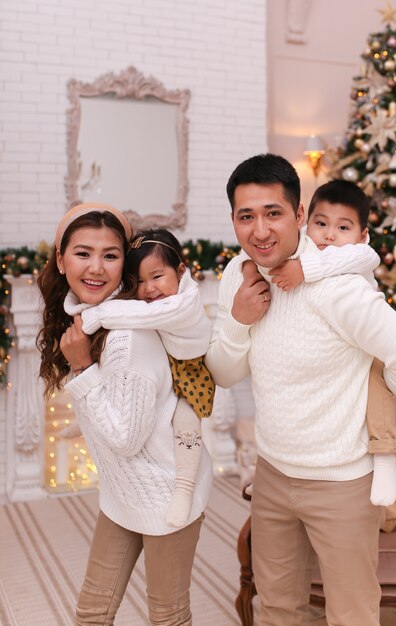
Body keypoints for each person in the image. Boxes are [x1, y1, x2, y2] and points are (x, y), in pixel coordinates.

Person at [205, 153, 396, 626]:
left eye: (273, 213)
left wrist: (373, 382)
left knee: (351, 615)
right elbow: (224, 374)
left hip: (341, 483)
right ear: (233, 219)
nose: (260, 231)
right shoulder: (239, 274)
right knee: (275, 608)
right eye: (245, 216)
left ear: (298, 215)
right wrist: (239, 320)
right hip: (272, 472)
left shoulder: (339, 288)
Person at [37, 202, 213, 626]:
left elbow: (126, 438)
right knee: (92, 613)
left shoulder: (126, 339)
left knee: (167, 617)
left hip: (166, 495)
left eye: (110, 256)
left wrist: (82, 369)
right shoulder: (89, 319)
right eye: (82, 253)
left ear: (123, 265)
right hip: (123, 492)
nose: (96, 267)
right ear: (61, 260)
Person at [258, 179, 396, 507]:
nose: (330, 235)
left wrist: (304, 269)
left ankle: (386, 457)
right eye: (321, 224)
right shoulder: (303, 249)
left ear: (361, 236)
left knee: (376, 391)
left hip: (369, 342)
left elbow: (360, 259)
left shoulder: (359, 255)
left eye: (343, 227)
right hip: (334, 353)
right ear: (306, 222)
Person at [76, 228, 215, 528]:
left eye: (157, 276)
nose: (149, 289)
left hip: (191, 376)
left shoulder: (183, 302)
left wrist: (93, 315)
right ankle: (84, 419)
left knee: (186, 426)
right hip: (170, 365)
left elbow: (138, 315)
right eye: (139, 281)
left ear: (180, 271)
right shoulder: (160, 300)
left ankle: (184, 488)